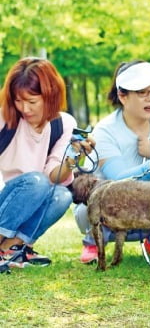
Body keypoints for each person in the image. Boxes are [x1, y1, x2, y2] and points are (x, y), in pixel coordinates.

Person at [74, 60, 150, 264]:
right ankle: (95, 242)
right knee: (83, 212)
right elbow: (118, 183)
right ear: (122, 96)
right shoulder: (104, 130)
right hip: (114, 214)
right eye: (142, 93)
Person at [0, 57, 94, 272]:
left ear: (50, 95)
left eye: (32, 101)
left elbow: (53, 177)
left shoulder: (63, 123)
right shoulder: (5, 118)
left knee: (62, 195)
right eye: (18, 100)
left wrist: (72, 158)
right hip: (5, 198)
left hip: (35, 189)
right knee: (36, 181)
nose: (24, 108)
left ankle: (12, 248)